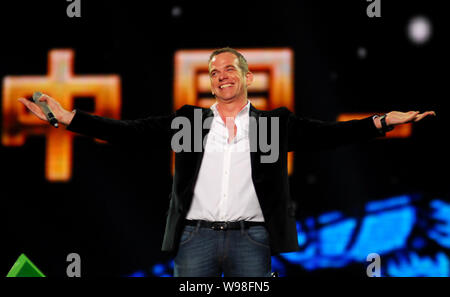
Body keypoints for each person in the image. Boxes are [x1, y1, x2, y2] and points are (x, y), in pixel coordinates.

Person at [18, 47, 436, 277]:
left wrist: (381, 122)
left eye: (230, 68)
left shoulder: (275, 125)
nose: (222, 75)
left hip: (251, 240)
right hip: (195, 239)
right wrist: (68, 117)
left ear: (248, 77)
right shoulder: (189, 121)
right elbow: (129, 131)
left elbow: (331, 135)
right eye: (214, 71)